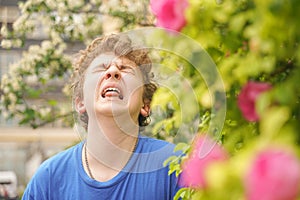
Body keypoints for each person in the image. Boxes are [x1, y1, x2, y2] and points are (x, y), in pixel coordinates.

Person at [22, 33, 181, 199]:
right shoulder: (48, 179)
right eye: (101, 68)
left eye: (125, 69)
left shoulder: (173, 166)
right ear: (80, 102)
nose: (112, 72)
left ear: (145, 105)